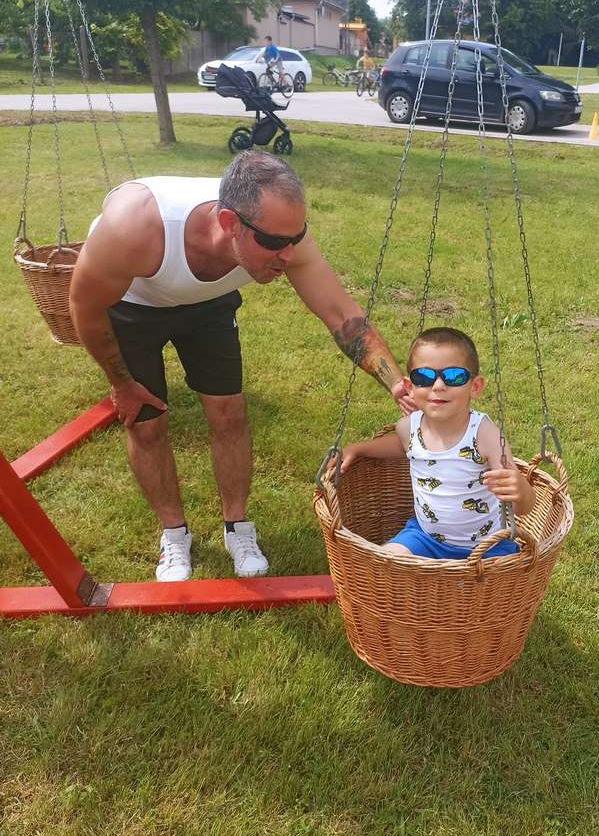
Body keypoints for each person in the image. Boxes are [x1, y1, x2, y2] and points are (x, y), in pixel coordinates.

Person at [70, 151, 412, 582]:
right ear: (229, 223)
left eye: (296, 237)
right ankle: (174, 534)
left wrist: (395, 382)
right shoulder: (136, 227)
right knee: (146, 423)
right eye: (273, 242)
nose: (288, 254)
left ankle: (237, 527)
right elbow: (84, 306)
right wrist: (121, 384)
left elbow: (343, 317)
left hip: (207, 303)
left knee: (229, 413)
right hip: (132, 303)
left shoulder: (280, 238)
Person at [337, 327, 534, 559]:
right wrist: (359, 449)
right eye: (424, 377)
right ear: (410, 387)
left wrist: (520, 490)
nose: (438, 386)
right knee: (384, 562)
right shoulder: (409, 428)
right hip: (425, 539)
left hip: (488, 546)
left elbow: (522, 507)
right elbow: (400, 446)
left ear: (475, 386)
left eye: (453, 376)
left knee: (496, 579)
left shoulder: (485, 435)